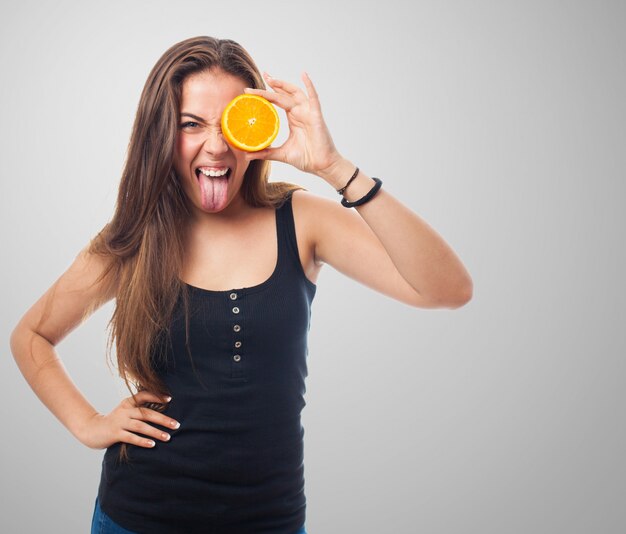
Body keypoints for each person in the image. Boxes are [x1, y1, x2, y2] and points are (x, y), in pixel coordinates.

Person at [9, 36, 473, 534]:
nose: (216, 145)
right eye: (191, 124)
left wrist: (334, 168)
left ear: (256, 126)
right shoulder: (136, 236)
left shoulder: (302, 221)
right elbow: (31, 335)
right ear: (161, 133)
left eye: (231, 121)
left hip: (269, 520)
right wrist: (88, 424)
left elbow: (446, 289)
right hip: (137, 518)